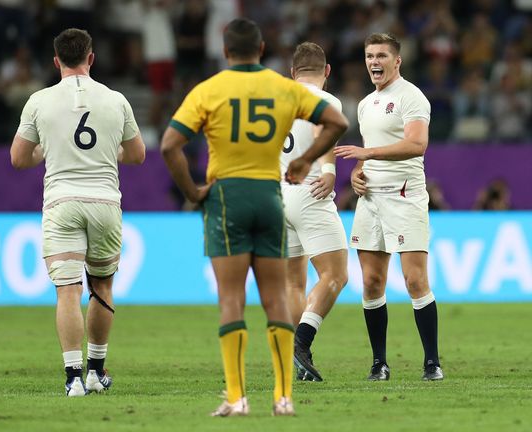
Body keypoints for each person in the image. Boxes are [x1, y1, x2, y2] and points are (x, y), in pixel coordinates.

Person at [161, 18, 348, 417]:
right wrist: (309, 160)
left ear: (225, 51)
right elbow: (336, 121)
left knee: (232, 298)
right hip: (269, 196)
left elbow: (169, 145)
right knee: (276, 298)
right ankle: (283, 397)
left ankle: (237, 397)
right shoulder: (285, 89)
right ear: (261, 50)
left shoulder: (208, 90)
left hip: (229, 196)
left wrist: (193, 192)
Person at [10, 28, 145, 397]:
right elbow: (137, 155)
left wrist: (46, 153)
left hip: (62, 203)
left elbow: (19, 158)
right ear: (92, 58)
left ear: (56, 62)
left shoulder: (38, 100)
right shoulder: (116, 100)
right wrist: (108, 153)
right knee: (101, 286)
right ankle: (96, 373)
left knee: (68, 291)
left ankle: (72, 378)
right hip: (104, 202)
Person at [335, 33, 443, 381]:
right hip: (370, 199)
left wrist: (366, 155)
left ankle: (431, 362)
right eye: (369, 56)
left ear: (397, 61)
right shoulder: (366, 104)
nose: (374, 62)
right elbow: (371, 149)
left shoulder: (411, 97)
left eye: (381, 55)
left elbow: (417, 144)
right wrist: (357, 172)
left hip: (404, 194)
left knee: (414, 280)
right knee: (371, 282)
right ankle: (379, 363)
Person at [281, 42, 348, 383]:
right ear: (327, 71)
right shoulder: (327, 100)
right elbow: (325, 128)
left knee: (294, 282)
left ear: (292, 73)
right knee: (335, 275)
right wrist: (329, 170)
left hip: (277, 195)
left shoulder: (276, 99)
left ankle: (298, 363)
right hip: (309, 191)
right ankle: (302, 344)